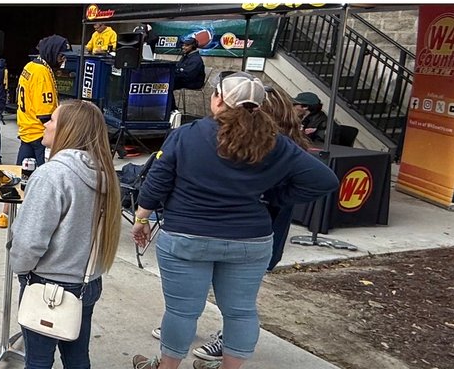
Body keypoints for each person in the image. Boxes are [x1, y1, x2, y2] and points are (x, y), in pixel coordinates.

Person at [130, 72, 338, 369]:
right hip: (250, 240)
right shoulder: (275, 143)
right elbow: (324, 180)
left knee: (182, 312)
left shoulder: (188, 134)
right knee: (240, 312)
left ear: (218, 99)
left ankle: (166, 367)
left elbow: (158, 180)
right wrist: (275, 196)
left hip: (187, 235)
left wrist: (141, 218)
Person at [10, 101, 121, 369]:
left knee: (37, 361)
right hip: (88, 281)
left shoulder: (52, 175)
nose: (45, 123)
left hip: (49, 284)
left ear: (68, 130)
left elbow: (28, 241)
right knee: (77, 357)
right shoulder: (105, 173)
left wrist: (21, 269)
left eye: (52, 120)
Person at [16, 37, 65, 170]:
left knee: (22, 174)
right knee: (45, 178)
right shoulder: (41, 72)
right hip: (40, 135)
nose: (63, 60)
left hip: (27, 130)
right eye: (61, 56)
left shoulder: (30, 65)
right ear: (52, 52)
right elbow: (45, 114)